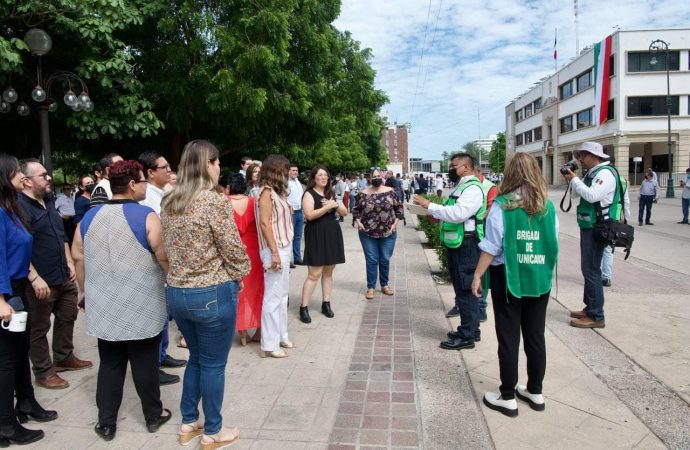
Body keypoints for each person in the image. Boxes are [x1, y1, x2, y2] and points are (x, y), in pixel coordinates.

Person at [72, 160, 172, 441]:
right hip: (142, 302)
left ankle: (106, 423)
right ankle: (153, 415)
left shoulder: (89, 217)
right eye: (142, 182)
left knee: (111, 362)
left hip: (104, 303)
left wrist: (84, 290)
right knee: (144, 362)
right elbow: (162, 255)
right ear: (131, 185)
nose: (144, 187)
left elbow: (78, 256)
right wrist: (171, 278)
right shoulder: (146, 215)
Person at [162, 140, 249, 448]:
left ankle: (189, 422)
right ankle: (212, 430)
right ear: (205, 165)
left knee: (197, 358)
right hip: (211, 291)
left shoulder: (169, 199)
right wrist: (241, 273)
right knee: (213, 364)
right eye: (215, 162)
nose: (219, 167)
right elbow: (232, 247)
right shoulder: (213, 201)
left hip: (177, 292)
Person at [470, 152, 559, 417]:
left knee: (508, 337)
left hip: (509, 278)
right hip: (539, 277)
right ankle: (535, 390)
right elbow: (552, 242)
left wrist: (477, 276)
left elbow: (491, 246)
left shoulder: (503, 205)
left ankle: (507, 395)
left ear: (510, 173)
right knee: (535, 336)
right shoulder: (547, 206)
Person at [18, 159, 92, 390]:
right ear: (27, 181)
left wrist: (69, 260)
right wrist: (34, 277)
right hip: (40, 280)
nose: (49, 177)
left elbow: (60, 235)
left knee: (68, 315)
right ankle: (43, 371)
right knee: (39, 328)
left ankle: (63, 357)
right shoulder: (19, 206)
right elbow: (18, 246)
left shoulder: (48, 200)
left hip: (63, 273)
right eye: (43, 175)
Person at [0, 154, 56, 446]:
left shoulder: (12, 209)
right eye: (15, 172)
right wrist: (1, 300)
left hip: (19, 287)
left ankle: (26, 403)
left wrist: (32, 278)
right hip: (7, 293)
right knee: (6, 361)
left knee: (20, 353)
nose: (22, 176)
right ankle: (6, 424)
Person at [413, 154, 486, 350]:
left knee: (466, 290)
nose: (450, 169)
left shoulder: (472, 188)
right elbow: (452, 212)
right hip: (459, 244)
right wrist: (437, 215)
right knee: (463, 288)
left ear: (466, 167)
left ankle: (467, 336)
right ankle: (471, 329)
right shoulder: (461, 186)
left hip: (467, 246)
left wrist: (430, 205)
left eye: (454, 166)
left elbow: (459, 214)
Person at [138, 151, 186, 385]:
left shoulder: (163, 193)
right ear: (150, 172)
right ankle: (153, 365)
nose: (169, 170)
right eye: (164, 167)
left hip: (166, 259)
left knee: (163, 315)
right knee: (156, 315)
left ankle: (162, 354)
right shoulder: (147, 197)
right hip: (156, 262)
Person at [562, 141, 620, 329]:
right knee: (587, 269)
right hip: (589, 225)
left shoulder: (605, 173)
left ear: (593, 156)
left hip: (598, 227)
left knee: (592, 271)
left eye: (583, 156)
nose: (580, 160)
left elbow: (592, 196)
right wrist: (572, 181)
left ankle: (596, 315)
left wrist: (575, 180)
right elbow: (576, 196)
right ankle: (590, 307)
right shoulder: (592, 173)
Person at [257, 155, 295, 358]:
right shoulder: (266, 192)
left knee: (282, 295)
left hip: (284, 246)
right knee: (272, 296)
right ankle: (269, 344)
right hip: (275, 248)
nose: (288, 173)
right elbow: (264, 223)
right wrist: (273, 252)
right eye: (285, 170)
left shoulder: (278, 193)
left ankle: (281, 335)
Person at [299, 165, 347, 323]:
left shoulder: (330, 193)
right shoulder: (309, 194)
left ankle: (326, 303)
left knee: (328, 272)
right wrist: (327, 206)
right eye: (320, 175)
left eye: (326, 175)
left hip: (332, 233)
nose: (323, 177)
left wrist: (335, 204)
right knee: (314, 274)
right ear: (314, 178)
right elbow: (309, 215)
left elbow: (344, 212)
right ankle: (304, 307)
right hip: (316, 234)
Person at [221, 173, 264, 346]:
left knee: (239, 292)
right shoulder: (254, 202)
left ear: (228, 188)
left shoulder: (224, 203)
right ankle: (260, 330)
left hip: (234, 253)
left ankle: (242, 331)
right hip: (254, 251)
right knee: (258, 290)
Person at [352, 168, 404, 300]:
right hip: (367, 233)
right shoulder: (363, 193)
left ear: (382, 177)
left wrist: (394, 224)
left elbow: (399, 208)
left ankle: (384, 285)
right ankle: (370, 287)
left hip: (388, 232)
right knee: (372, 260)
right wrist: (358, 222)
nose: (376, 178)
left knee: (385, 259)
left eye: (378, 176)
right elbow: (356, 209)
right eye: (373, 176)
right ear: (369, 178)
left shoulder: (390, 191)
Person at [601, 159, 631, 287]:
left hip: (603, 216)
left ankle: (600, 275)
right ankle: (606, 277)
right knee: (609, 247)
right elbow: (626, 200)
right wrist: (626, 217)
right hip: (616, 216)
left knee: (601, 247)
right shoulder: (622, 180)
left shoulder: (602, 177)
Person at [287, 165, 305, 267]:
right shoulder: (286, 183)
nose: (295, 172)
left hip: (299, 211)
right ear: (288, 171)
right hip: (291, 213)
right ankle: (288, 260)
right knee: (290, 237)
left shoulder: (298, 182)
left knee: (298, 236)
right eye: (293, 170)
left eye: (296, 170)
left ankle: (297, 258)